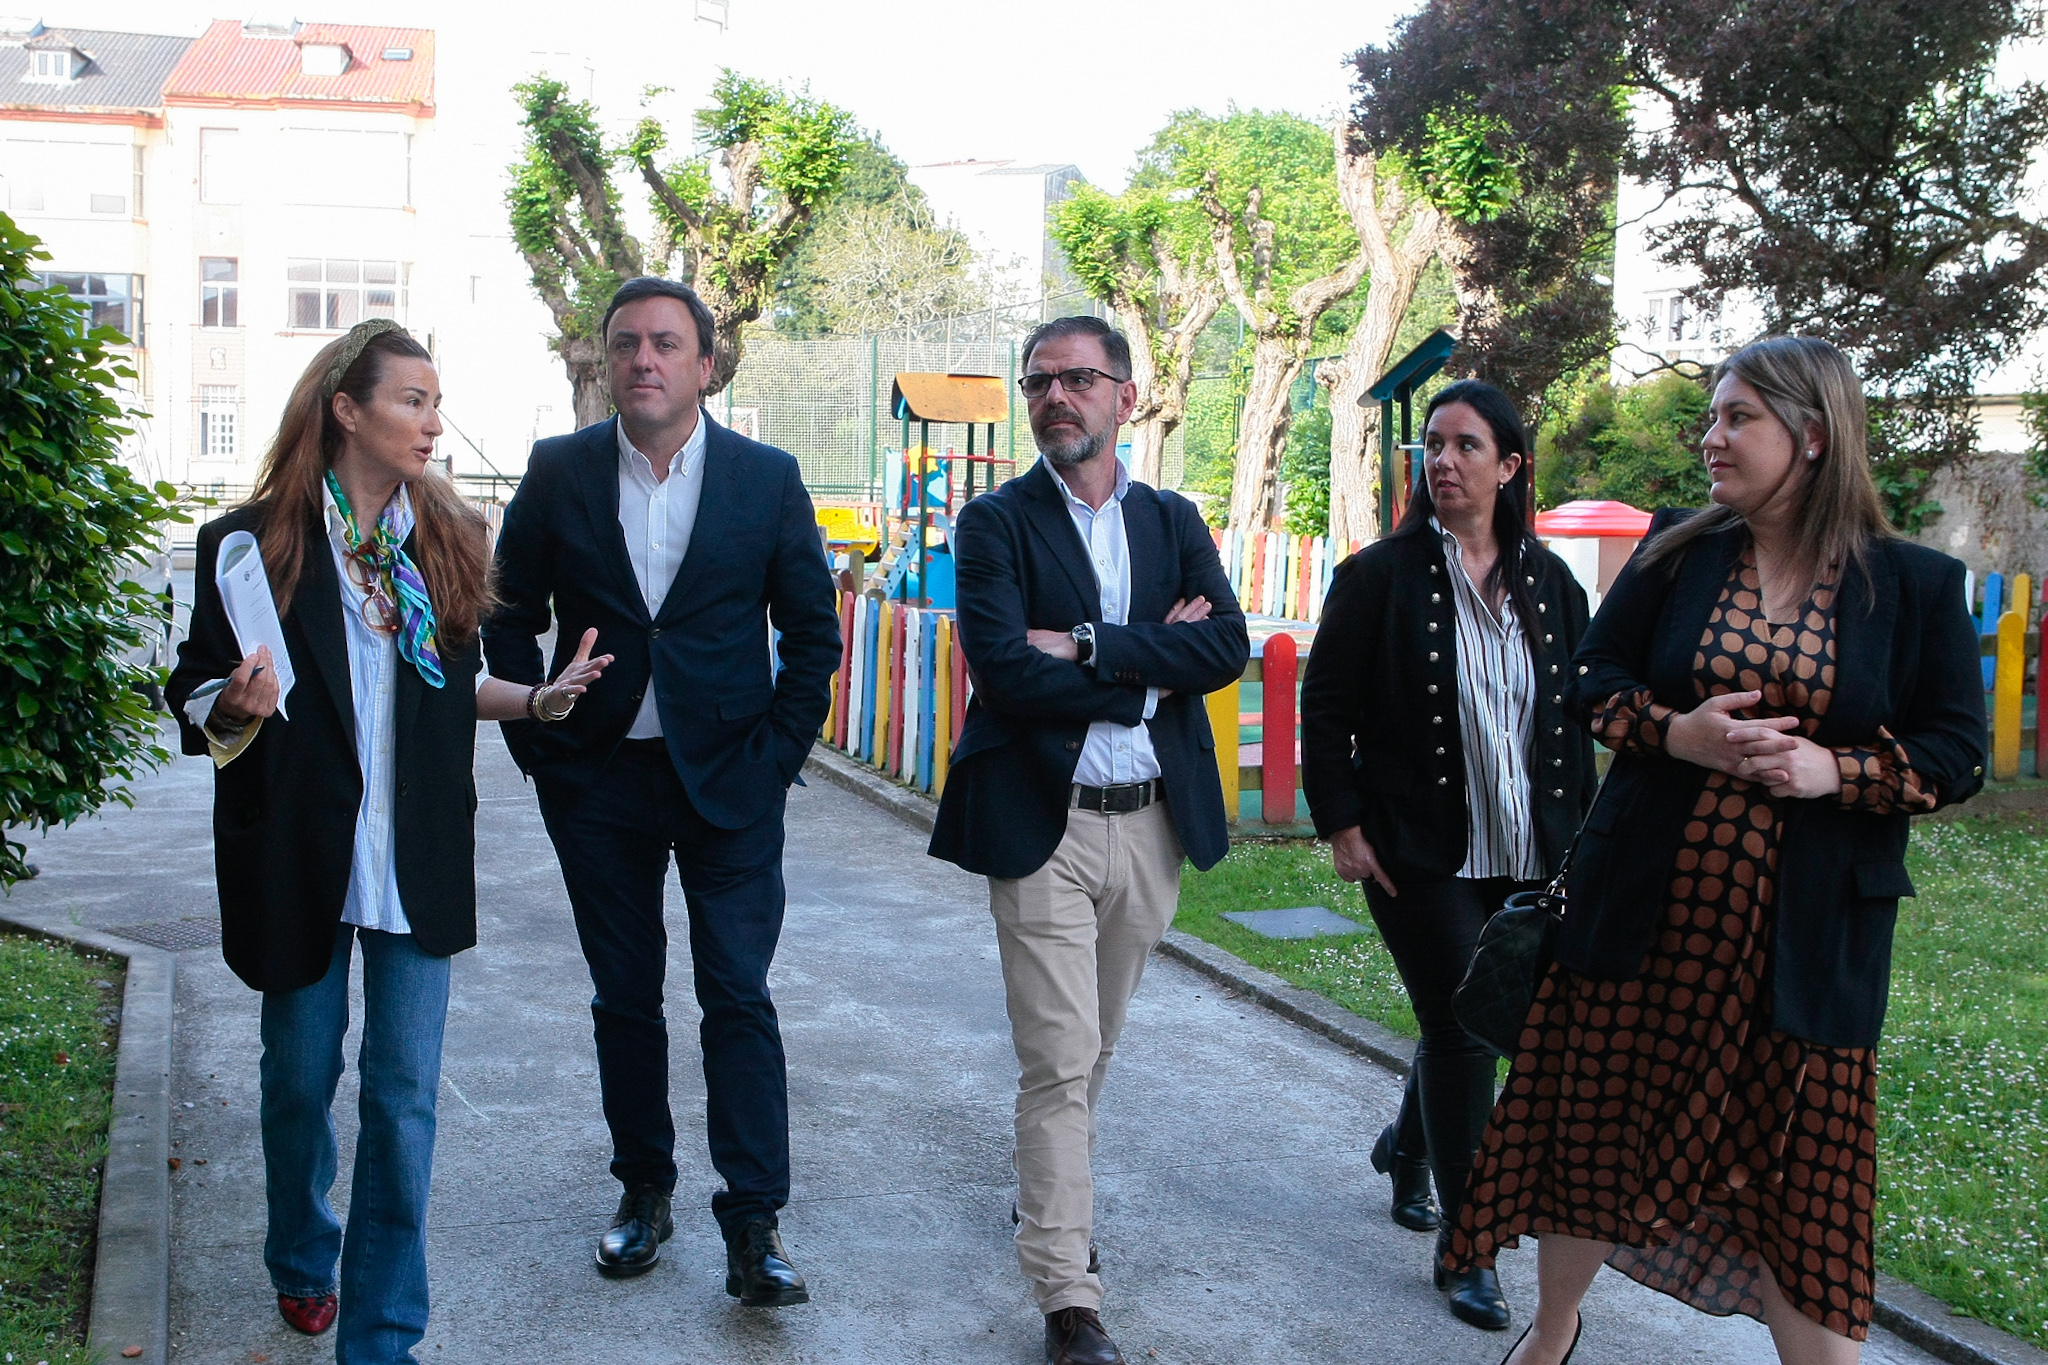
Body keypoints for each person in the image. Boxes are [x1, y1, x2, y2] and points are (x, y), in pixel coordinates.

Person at [1451, 337, 1988, 1365]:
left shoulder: (1913, 585)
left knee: (1803, 1191)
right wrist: (1678, 733)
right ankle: (1550, 1334)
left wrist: (1837, 772)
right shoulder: (1676, 551)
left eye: (1738, 417)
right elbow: (1591, 679)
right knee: (1591, 1136)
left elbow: (1956, 750)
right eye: (1711, 416)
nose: (1711, 437)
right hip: (1641, 923)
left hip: (1804, 958)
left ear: (1812, 434)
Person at [167, 319, 608, 1364]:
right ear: (346, 410)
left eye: (435, 402)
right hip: (299, 855)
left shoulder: (445, 539)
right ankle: (300, 1253)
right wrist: (229, 701)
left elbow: (455, 686)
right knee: (297, 1083)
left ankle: (382, 1335)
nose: (432, 423)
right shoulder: (253, 543)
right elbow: (191, 690)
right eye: (412, 400)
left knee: (403, 1103)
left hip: (415, 858)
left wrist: (538, 699)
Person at [481, 278, 841, 1299]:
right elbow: (507, 613)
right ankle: (643, 1190)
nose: (645, 359)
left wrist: (775, 758)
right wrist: (539, 739)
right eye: (627, 343)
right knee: (625, 995)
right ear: (605, 363)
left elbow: (810, 632)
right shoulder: (558, 471)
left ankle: (753, 1222)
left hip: (730, 782)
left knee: (737, 993)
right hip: (595, 781)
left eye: (667, 344)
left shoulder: (765, 478)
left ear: (706, 366)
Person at [928, 315, 1250, 1365]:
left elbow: (1225, 645)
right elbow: (1003, 672)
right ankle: (1069, 1294)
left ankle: (1046, 1196)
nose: (1054, 398)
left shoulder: (1171, 520)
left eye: (1075, 379)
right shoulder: (994, 524)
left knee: (1094, 1045)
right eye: (1037, 383)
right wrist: (1150, 668)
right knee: (1058, 1059)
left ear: (1124, 395)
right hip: (1044, 824)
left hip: (1150, 824)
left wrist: (1085, 645)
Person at [1299, 379, 1598, 1332]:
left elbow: (1576, 720)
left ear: (1510, 466)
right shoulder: (1378, 577)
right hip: (1417, 850)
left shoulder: (1554, 586)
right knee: (1464, 1030)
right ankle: (1469, 1246)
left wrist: (1586, 841)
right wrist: (1343, 822)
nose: (1444, 461)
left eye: (1467, 445)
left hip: (1531, 851)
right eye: (1433, 444)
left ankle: (1408, 1146)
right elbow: (1325, 708)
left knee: (1475, 1017)